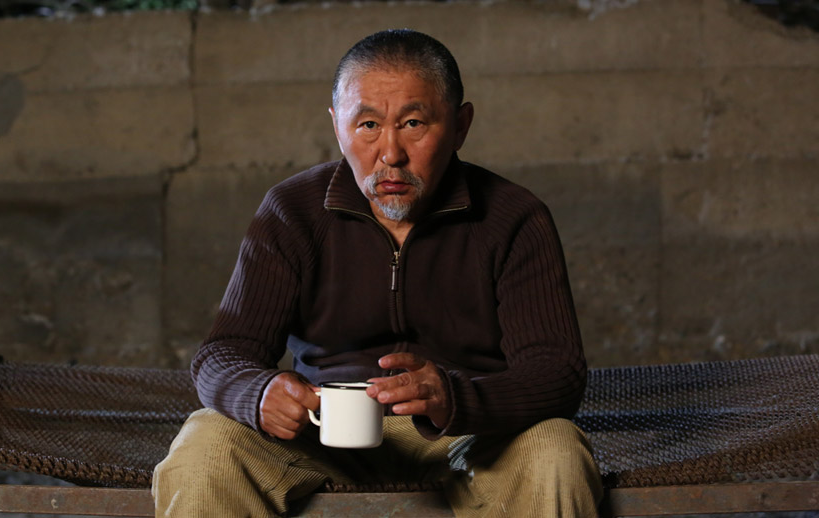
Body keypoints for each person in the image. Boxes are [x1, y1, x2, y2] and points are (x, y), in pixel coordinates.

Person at [153, 29, 603, 517]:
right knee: (206, 446)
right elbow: (224, 352)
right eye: (368, 124)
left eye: (413, 123)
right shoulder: (292, 211)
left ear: (460, 125)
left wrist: (454, 398)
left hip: (472, 438)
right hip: (324, 438)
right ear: (337, 125)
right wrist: (258, 393)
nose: (390, 153)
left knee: (555, 449)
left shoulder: (513, 216)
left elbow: (557, 372)